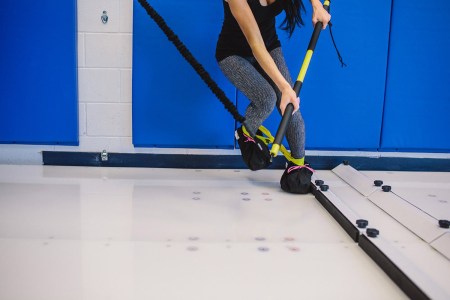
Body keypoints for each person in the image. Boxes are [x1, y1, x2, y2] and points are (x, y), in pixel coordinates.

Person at [215, 0, 331, 193]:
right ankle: (246, 133)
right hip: (233, 54)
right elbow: (256, 45)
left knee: (291, 108)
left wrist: (317, 5)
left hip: (270, 46)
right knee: (267, 99)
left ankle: (298, 166)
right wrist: (284, 87)